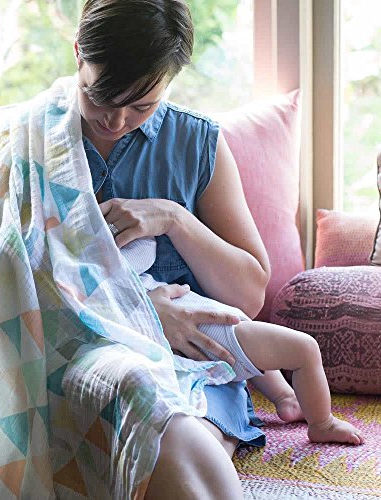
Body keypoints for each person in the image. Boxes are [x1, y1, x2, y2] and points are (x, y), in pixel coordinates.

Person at [74, 1, 360, 498]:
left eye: (141, 106)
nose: (116, 120)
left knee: (176, 448)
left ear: (170, 81)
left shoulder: (195, 143)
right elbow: (11, 287)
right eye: (99, 96)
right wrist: (139, 314)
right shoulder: (35, 142)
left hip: (198, 366)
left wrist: (174, 218)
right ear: (78, 53)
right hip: (77, 359)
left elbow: (247, 296)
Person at [119, 235, 364, 439]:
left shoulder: (105, 282)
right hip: (213, 334)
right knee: (305, 349)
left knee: (255, 354)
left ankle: (286, 398)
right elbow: (143, 250)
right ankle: (322, 424)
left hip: (213, 334)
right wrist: (127, 231)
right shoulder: (106, 267)